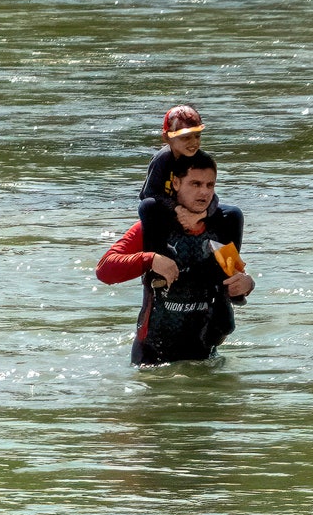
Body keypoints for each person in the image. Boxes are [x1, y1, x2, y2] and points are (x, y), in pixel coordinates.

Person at [96, 153, 253, 367]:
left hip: (204, 354)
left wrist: (246, 284)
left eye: (210, 185)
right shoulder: (150, 228)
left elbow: (235, 275)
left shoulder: (220, 230)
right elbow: (104, 270)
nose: (204, 192)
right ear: (176, 183)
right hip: (152, 358)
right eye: (195, 184)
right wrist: (150, 259)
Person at [135, 104, 205, 248]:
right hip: (168, 214)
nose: (193, 142)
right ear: (167, 138)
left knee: (233, 213)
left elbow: (211, 195)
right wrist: (176, 208)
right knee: (147, 206)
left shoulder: (203, 161)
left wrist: (200, 215)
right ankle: (156, 256)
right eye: (186, 138)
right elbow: (148, 193)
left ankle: (230, 266)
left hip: (194, 212)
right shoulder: (162, 159)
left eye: (197, 136)